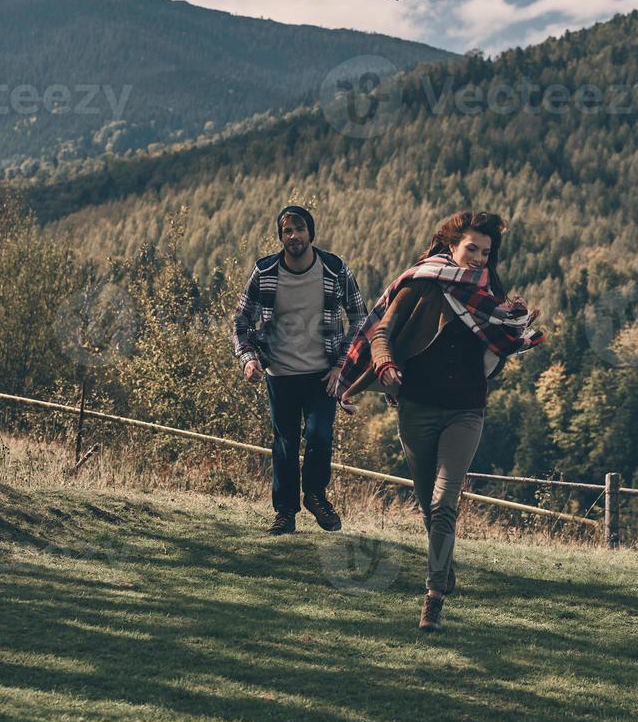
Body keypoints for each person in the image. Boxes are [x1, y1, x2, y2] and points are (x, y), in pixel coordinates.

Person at [335, 211, 544, 632]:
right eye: (472, 249)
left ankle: (432, 599)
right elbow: (382, 331)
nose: (479, 259)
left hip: (466, 409)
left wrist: (514, 332)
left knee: (443, 502)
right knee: (428, 505)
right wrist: (385, 363)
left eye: (487, 252)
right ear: (451, 245)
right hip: (417, 408)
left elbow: (498, 349)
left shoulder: (490, 295)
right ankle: (444, 569)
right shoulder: (423, 283)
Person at [232, 206, 368, 536]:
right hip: (280, 374)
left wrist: (342, 366)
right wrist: (249, 359)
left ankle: (316, 496)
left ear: (311, 233)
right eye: (287, 231)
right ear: (280, 237)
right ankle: (285, 513)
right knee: (285, 444)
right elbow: (241, 319)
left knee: (320, 437)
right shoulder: (264, 272)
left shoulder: (334, 270)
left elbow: (361, 318)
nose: (294, 236)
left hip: (324, 374)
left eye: (300, 229)